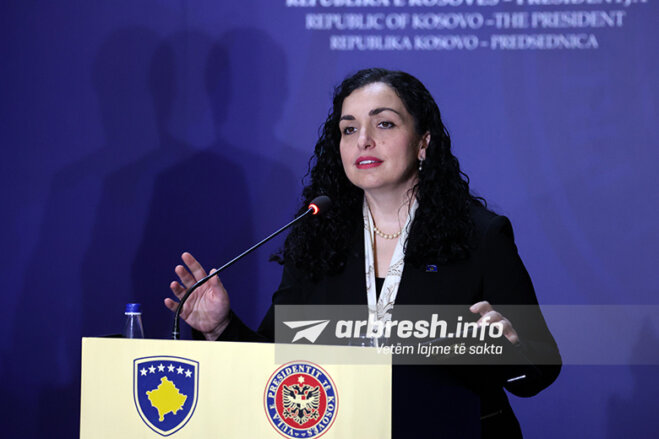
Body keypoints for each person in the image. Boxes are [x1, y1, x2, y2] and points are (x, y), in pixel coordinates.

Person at [164, 68, 561, 437]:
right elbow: (278, 363)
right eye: (349, 128)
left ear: (423, 142)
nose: (363, 140)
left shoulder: (480, 235)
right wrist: (220, 328)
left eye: (384, 123)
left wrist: (503, 352)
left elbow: (541, 367)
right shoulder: (320, 237)